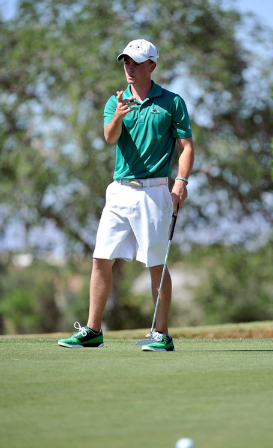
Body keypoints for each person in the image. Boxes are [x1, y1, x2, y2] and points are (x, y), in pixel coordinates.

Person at [58, 39, 194, 351]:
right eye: (125, 62)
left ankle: (161, 335)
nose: (128, 68)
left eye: (135, 62)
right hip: (118, 191)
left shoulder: (172, 102)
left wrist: (181, 180)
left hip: (154, 191)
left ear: (152, 66)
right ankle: (93, 331)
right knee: (100, 258)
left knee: (156, 262)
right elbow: (110, 137)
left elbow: (187, 146)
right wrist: (118, 114)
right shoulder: (115, 101)